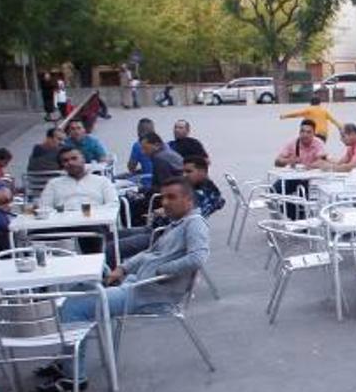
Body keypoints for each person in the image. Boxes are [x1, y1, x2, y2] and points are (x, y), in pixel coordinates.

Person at [36, 177, 209, 392]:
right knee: (77, 291)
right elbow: (149, 253)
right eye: (163, 197)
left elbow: (198, 258)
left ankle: (74, 380)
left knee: (75, 308)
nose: (164, 202)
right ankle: (67, 360)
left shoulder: (194, 224)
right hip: (136, 285)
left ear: (189, 200)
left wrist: (160, 270)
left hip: (150, 295)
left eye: (171, 197)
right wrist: (123, 268)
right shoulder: (177, 224)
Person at [106, 156, 223, 267]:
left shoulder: (203, 195)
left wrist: (166, 212)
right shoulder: (197, 189)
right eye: (183, 171)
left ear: (202, 172)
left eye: (189, 171)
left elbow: (192, 218)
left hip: (161, 236)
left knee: (111, 248)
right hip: (154, 228)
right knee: (110, 236)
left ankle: (111, 280)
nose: (184, 175)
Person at [39, 147, 119, 254]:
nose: (70, 163)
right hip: (63, 224)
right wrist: (60, 213)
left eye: (74, 158)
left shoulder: (101, 181)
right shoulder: (54, 184)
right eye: (65, 161)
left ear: (83, 159)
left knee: (93, 232)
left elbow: (113, 204)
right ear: (62, 165)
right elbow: (44, 207)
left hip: (93, 221)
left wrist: (93, 212)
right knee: (36, 235)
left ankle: (96, 267)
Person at [126, 118, 155, 188]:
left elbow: (131, 167)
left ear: (139, 131)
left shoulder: (138, 146)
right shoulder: (162, 144)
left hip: (147, 182)